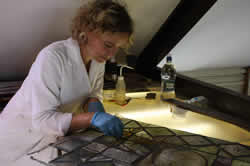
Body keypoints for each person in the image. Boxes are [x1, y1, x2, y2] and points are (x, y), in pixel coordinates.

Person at [0, 0, 134, 165]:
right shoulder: (53, 57)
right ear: (87, 31)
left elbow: (91, 94)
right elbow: (43, 120)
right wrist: (92, 118)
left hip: (55, 137)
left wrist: (94, 105)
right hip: (22, 139)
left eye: (117, 47)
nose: (112, 54)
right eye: (108, 45)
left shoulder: (99, 60)